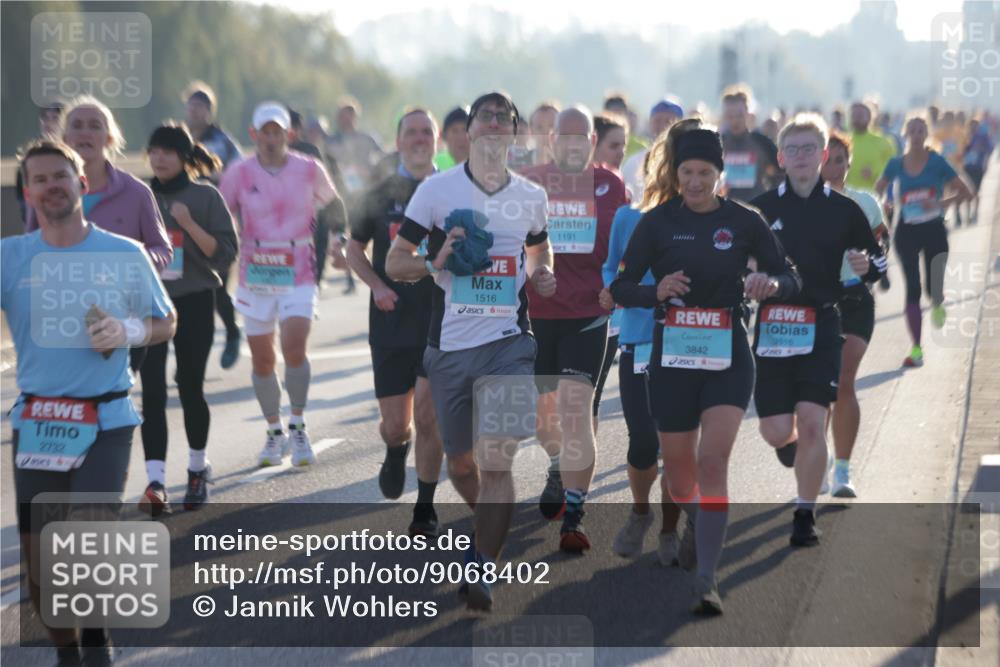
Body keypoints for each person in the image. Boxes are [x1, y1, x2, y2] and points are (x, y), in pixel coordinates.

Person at [611, 127, 801, 614]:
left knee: (713, 462)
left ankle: (707, 578)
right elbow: (621, 287)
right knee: (678, 479)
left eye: (705, 174)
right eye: (687, 173)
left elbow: (789, 276)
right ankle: (697, 517)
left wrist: (767, 283)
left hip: (727, 355)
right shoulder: (656, 223)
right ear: (676, 174)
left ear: (720, 177)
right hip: (672, 357)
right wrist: (654, 291)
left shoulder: (744, 221)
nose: (695, 182)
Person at [5, 139, 176, 666]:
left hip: (106, 416)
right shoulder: (11, 256)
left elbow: (167, 320)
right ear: (28, 193)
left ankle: (97, 637)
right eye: (40, 179)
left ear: (83, 182)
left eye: (62, 175)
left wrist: (125, 329)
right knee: (42, 571)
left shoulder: (124, 253)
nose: (52, 185)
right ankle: (70, 652)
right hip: (38, 420)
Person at [386, 91, 555, 611]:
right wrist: (436, 260)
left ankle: (482, 567)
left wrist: (541, 271)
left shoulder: (530, 196)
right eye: (487, 116)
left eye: (506, 118)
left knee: (497, 456)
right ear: (471, 130)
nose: (496, 124)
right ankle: (491, 524)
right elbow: (396, 262)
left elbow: (537, 246)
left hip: (509, 344)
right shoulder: (436, 191)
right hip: (450, 348)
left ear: (513, 133)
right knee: (461, 466)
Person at [750, 114, 887, 548]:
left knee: (813, 422)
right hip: (773, 326)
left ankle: (804, 513)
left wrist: (868, 268)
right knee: (775, 429)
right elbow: (740, 263)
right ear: (781, 158)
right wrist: (748, 278)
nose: (803, 157)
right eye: (794, 149)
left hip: (823, 322)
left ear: (824, 156)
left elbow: (878, 261)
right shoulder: (761, 209)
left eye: (811, 149)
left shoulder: (844, 210)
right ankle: (787, 447)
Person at [521, 107, 628, 552]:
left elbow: (626, 249)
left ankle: (576, 514)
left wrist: (618, 285)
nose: (572, 144)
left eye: (580, 137)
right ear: (551, 142)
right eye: (564, 137)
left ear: (590, 140)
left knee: (576, 409)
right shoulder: (528, 182)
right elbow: (514, 244)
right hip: (537, 317)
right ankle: (556, 462)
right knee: (545, 420)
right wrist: (532, 273)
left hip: (589, 314)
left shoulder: (611, 186)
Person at [219, 102, 345, 467]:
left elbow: (335, 206)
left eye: (279, 131)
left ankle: (299, 424)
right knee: (262, 358)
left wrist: (339, 237)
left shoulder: (308, 169)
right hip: (255, 270)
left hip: (298, 266)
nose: (272, 138)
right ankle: (274, 431)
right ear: (254, 135)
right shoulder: (239, 172)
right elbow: (222, 215)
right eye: (265, 132)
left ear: (289, 134)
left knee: (293, 344)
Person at [602, 120, 703, 565]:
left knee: (677, 444)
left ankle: (669, 527)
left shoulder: (715, 220)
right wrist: (614, 293)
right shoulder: (629, 217)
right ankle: (641, 513)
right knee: (643, 442)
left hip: (693, 344)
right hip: (640, 341)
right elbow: (611, 270)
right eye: (683, 165)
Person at [347, 108, 444, 537]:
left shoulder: (453, 190)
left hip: (440, 323)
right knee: (396, 425)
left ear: (437, 141)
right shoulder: (380, 191)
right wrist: (376, 286)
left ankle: (424, 507)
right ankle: (394, 449)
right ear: (399, 139)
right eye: (412, 132)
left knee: (428, 417)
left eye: (428, 132)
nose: (420, 139)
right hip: (389, 321)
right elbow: (353, 250)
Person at [24, 96, 172, 374]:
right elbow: (31, 246)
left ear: (109, 138)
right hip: (61, 313)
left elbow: (161, 248)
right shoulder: (49, 194)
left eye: (95, 126)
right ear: (64, 137)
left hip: (120, 314)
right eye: (77, 125)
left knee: (108, 390)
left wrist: (134, 266)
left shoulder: (137, 193)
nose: (84, 132)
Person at [138, 123, 239, 515]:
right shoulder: (139, 196)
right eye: (153, 150)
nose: (159, 157)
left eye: (167, 150)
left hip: (195, 299)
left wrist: (188, 223)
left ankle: (197, 469)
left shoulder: (204, 196)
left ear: (183, 156)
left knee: (190, 386)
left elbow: (224, 254)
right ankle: (156, 482)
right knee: (152, 394)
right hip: (149, 303)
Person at [875, 113, 974, 368]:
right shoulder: (896, 163)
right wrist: (885, 201)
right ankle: (916, 348)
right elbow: (880, 186)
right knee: (913, 288)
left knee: (933, 288)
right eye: (913, 131)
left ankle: (938, 302)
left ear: (926, 135)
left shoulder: (937, 162)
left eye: (921, 131)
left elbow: (966, 191)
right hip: (906, 231)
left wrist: (939, 203)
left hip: (934, 230)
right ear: (906, 135)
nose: (917, 136)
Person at [820, 132, 888, 498]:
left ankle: (843, 470)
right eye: (827, 160)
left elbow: (882, 256)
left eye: (839, 160)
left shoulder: (865, 204)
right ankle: (820, 456)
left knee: (844, 381)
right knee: (820, 387)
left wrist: (869, 265)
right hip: (814, 303)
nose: (833, 167)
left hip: (855, 300)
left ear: (848, 164)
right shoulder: (800, 206)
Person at [183, 81, 245, 369]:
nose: (195, 112)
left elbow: (243, 179)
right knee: (183, 287)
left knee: (217, 287)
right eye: (192, 106)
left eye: (201, 107)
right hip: (182, 224)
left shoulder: (223, 142)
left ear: (210, 111)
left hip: (217, 222)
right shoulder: (179, 139)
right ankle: (191, 358)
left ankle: (232, 333)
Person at [719, 85, 782, 203]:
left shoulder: (762, 143)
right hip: (726, 207)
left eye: (739, 115)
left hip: (757, 206)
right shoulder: (718, 144)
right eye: (730, 116)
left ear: (748, 113)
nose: (735, 121)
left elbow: (781, 171)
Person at [621, 99, 684, 200]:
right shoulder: (634, 162)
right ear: (650, 123)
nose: (663, 126)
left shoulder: (687, 160)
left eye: (669, 121)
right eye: (657, 121)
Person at [16, 100, 64, 224]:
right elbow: (24, 204)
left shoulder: (76, 158)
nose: (48, 123)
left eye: (55, 118)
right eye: (45, 117)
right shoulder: (29, 158)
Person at [845, 101, 896, 193]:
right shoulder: (843, 141)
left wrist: (874, 173)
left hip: (874, 198)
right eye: (853, 115)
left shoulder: (884, 142)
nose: (856, 119)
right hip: (847, 197)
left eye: (860, 115)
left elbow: (894, 170)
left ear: (869, 118)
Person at [962, 116, 994, 224]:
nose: (973, 128)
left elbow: (990, 149)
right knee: (968, 191)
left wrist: (986, 161)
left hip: (978, 167)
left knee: (976, 191)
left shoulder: (983, 137)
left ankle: (975, 213)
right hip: (966, 168)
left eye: (975, 126)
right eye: (971, 126)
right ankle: (967, 214)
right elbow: (958, 151)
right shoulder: (964, 137)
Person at [433, 107, 470, 171]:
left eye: (465, 130)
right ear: (444, 136)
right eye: (455, 131)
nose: (461, 137)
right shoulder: (436, 164)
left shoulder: (485, 165)